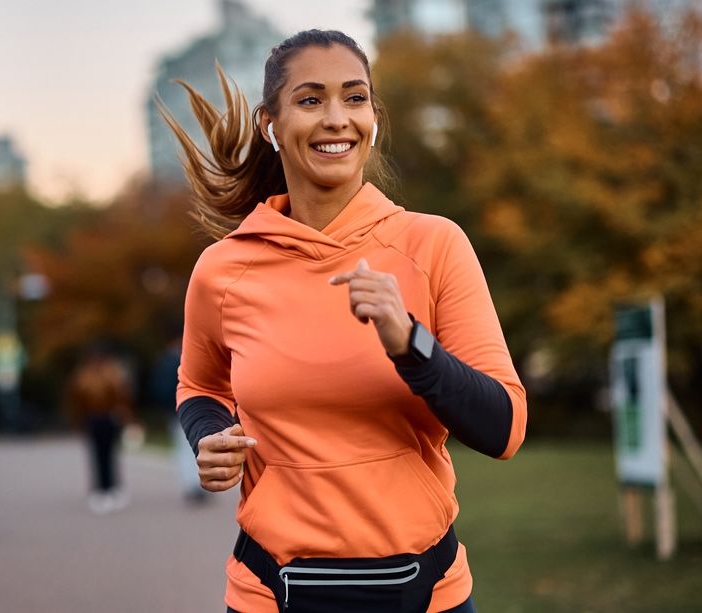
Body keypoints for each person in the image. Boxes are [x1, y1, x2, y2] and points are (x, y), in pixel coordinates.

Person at [162, 30, 527, 613]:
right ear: (269, 124)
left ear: (373, 117)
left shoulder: (434, 245)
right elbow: (200, 385)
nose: (337, 118)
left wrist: (410, 344)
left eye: (354, 99)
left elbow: (504, 428)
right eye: (310, 100)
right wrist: (209, 435)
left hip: (426, 594)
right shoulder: (223, 269)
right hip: (269, 593)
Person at [66, 350, 135, 515]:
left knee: (107, 455)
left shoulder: (107, 376)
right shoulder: (87, 378)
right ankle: (102, 489)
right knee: (100, 455)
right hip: (95, 420)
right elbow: (77, 402)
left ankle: (110, 487)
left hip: (106, 419)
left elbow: (122, 399)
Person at [150, 335, 208, 505]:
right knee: (189, 448)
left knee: (185, 448)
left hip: (177, 410)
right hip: (184, 408)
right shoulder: (177, 362)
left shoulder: (166, 362)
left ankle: (192, 483)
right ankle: (194, 484)